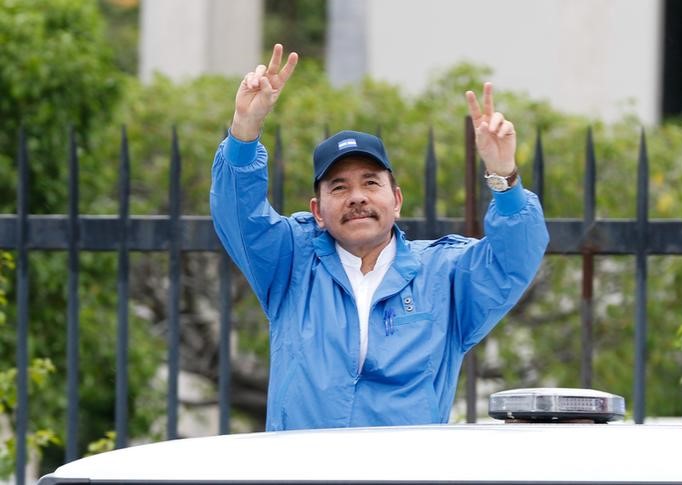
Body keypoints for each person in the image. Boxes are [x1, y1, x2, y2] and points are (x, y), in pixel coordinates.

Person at [210, 44, 549, 431]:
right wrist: (244, 129)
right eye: (338, 187)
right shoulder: (291, 260)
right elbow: (238, 214)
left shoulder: (444, 273)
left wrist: (503, 175)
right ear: (317, 211)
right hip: (301, 471)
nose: (357, 196)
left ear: (397, 200)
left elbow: (515, 258)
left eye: (371, 182)